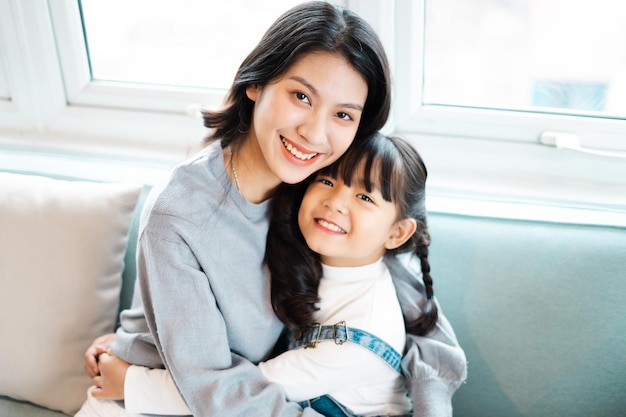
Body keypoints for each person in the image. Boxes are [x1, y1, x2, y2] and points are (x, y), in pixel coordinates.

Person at [77, 2, 467, 416]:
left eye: (343, 114)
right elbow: (212, 388)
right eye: (301, 96)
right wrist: (134, 371)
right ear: (257, 83)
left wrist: (431, 395)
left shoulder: (319, 189)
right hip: (152, 401)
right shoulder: (182, 214)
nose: (314, 132)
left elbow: (412, 308)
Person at [90, 133, 452, 417]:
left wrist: (132, 383)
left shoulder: (360, 337)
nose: (336, 201)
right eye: (327, 181)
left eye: (365, 198)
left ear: (397, 233)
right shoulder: (307, 255)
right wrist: (138, 344)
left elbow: (246, 394)